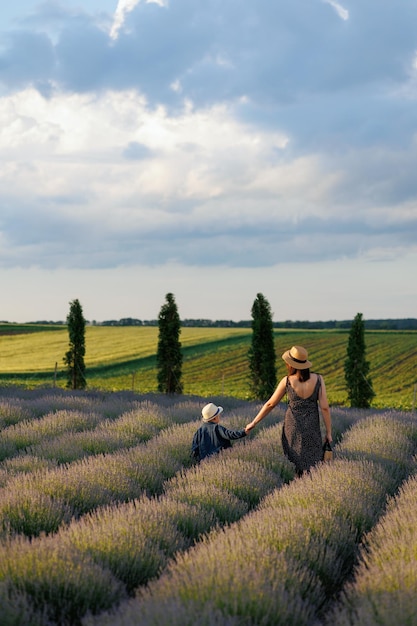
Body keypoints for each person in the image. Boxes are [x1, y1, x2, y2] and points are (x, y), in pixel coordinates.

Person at [245, 345, 332, 477]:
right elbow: (325, 407)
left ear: (291, 364)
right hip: (312, 426)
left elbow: (270, 404)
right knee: (313, 462)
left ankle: (295, 488)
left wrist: (254, 422)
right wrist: (329, 432)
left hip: (293, 426)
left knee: (294, 460)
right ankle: (311, 487)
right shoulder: (319, 379)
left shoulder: (287, 381)